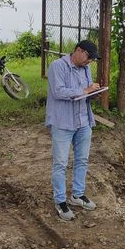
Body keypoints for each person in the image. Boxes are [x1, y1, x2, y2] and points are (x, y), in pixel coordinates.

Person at [46, 39, 102, 221]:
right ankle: (60, 201)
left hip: (83, 121)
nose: (89, 62)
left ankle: (77, 195)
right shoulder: (57, 66)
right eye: (88, 57)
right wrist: (85, 90)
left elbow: (85, 92)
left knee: (82, 160)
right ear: (78, 51)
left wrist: (93, 93)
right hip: (62, 122)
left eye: (92, 59)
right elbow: (58, 91)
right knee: (61, 163)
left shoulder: (86, 68)